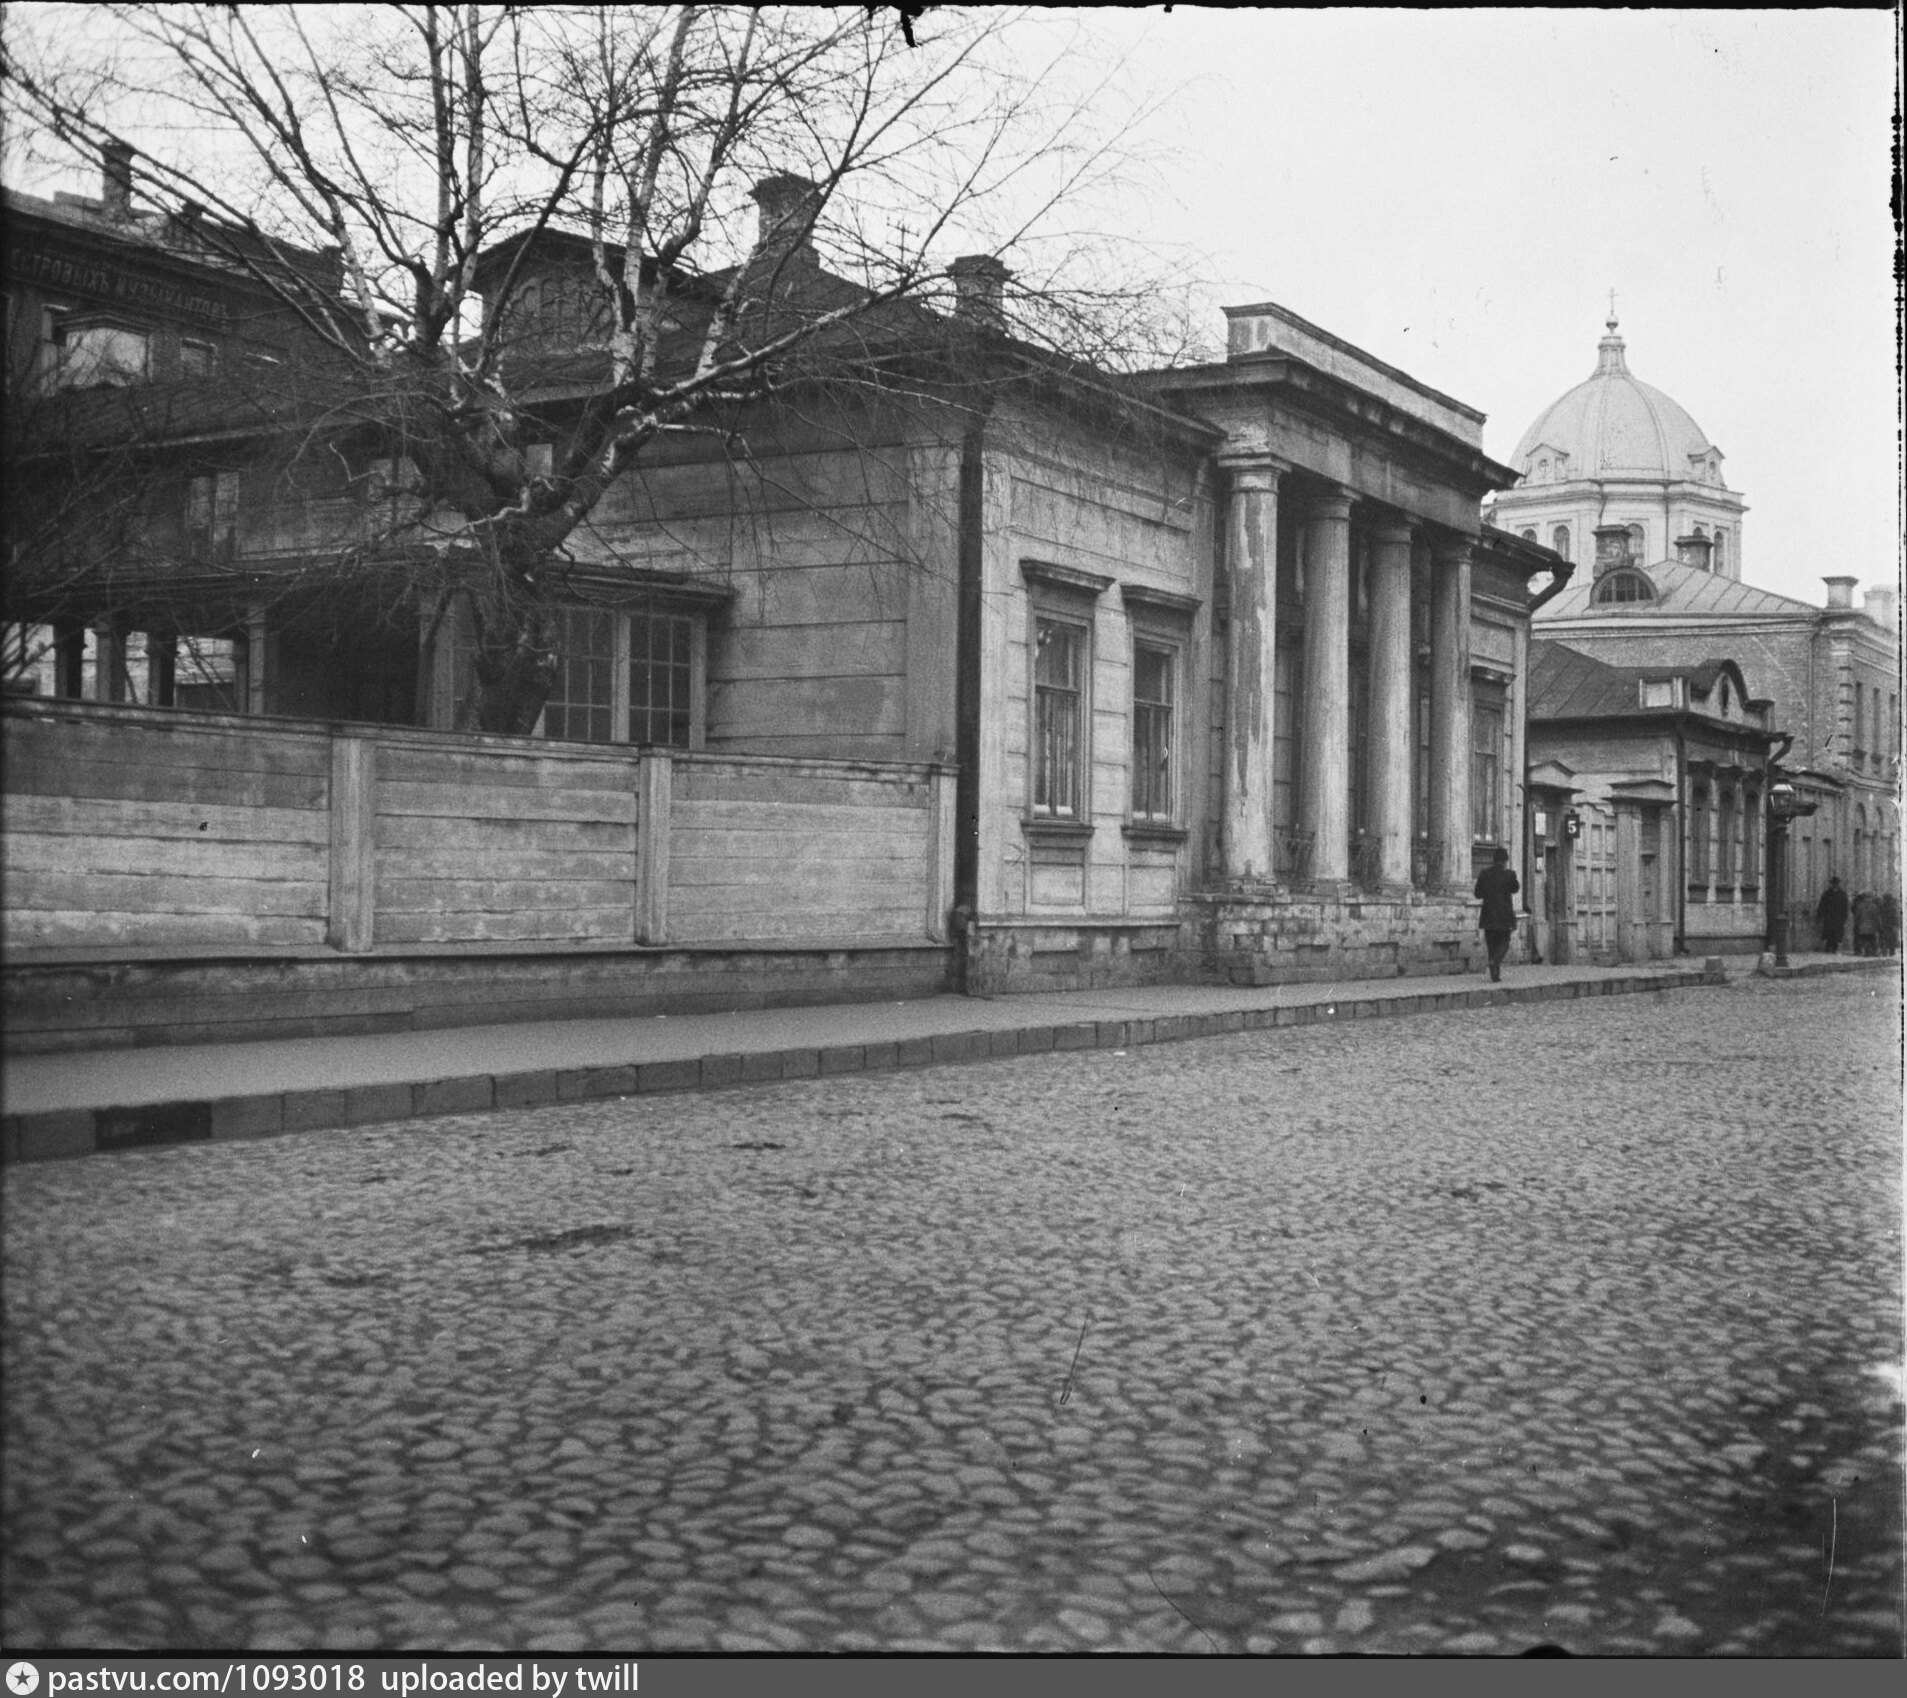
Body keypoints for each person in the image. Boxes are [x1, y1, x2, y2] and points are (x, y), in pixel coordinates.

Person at [1474, 846, 1520, 983]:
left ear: (1493, 860)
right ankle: (1495, 963)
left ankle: (1495, 973)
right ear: (1505, 860)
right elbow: (1515, 889)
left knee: (1491, 943)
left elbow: (1477, 894)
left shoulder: (1484, 873)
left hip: (1488, 914)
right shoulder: (1510, 875)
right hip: (1504, 915)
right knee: (1505, 942)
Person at [1815, 876, 1849, 954]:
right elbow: (1822, 905)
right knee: (1829, 933)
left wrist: (1844, 917)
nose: (1835, 885)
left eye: (1836, 884)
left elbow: (1845, 907)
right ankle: (1828, 947)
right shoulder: (1827, 894)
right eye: (1834, 884)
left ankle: (1834, 948)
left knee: (1837, 934)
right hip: (1829, 917)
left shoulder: (1842, 894)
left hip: (1838, 917)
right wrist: (1820, 915)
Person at [1851, 889, 1881, 957]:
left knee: (1865, 939)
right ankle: (1874, 952)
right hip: (1872, 927)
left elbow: (1857, 917)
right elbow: (1876, 918)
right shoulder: (1874, 906)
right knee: (1872, 939)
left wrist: (1856, 925)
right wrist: (1878, 926)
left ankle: (1867, 952)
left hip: (1862, 926)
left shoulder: (1859, 906)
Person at [1881, 892, 1900, 957]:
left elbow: (1881, 916)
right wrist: (1896, 924)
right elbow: (1895, 917)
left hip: (1884, 925)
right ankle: (1892, 952)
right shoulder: (1893, 907)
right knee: (1892, 939)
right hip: (1891, 925)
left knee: (1884, 939)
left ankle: (1884, 952)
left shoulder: (1882, 906)